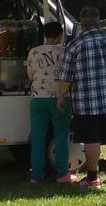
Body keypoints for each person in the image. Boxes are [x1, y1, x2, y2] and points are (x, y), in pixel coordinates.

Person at [57, 6, 106, 188]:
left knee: (91, 140)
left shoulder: (75, 45)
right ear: (99, 22)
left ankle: (92, 178)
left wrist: (60, 96)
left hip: (86, 101)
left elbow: (66, 76)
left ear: (81, 24)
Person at [26, 21, 76, 184]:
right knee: (61, 135)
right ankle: (62, 173)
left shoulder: (34, 52)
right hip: (59, 97)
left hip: (38, 98)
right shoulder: (65, 51)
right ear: (60, 35)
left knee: (38, 137)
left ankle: (36, 175)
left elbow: (30, 75)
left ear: (44, 35)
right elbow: (70, 74)